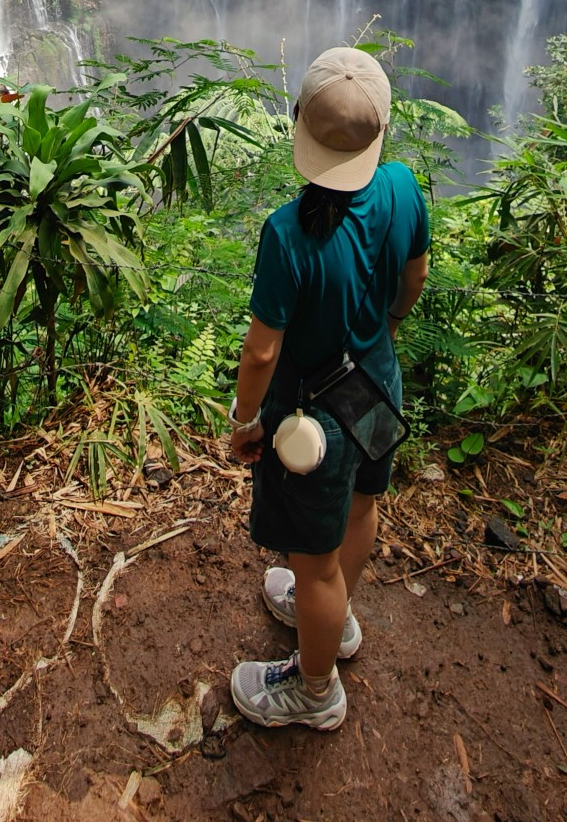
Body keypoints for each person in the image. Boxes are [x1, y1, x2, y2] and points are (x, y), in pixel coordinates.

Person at [225, 46, 431, 733]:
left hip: (314, 420)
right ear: (379, 131)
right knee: (361, 506)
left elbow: (261, 351)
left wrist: (244, 420)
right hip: (378, 384)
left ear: (299, 130)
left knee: (310, 565)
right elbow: (414, 277)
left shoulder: (288, 234)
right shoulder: (402, 186)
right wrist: (388, 328)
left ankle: (316, 692)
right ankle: (334, 623)